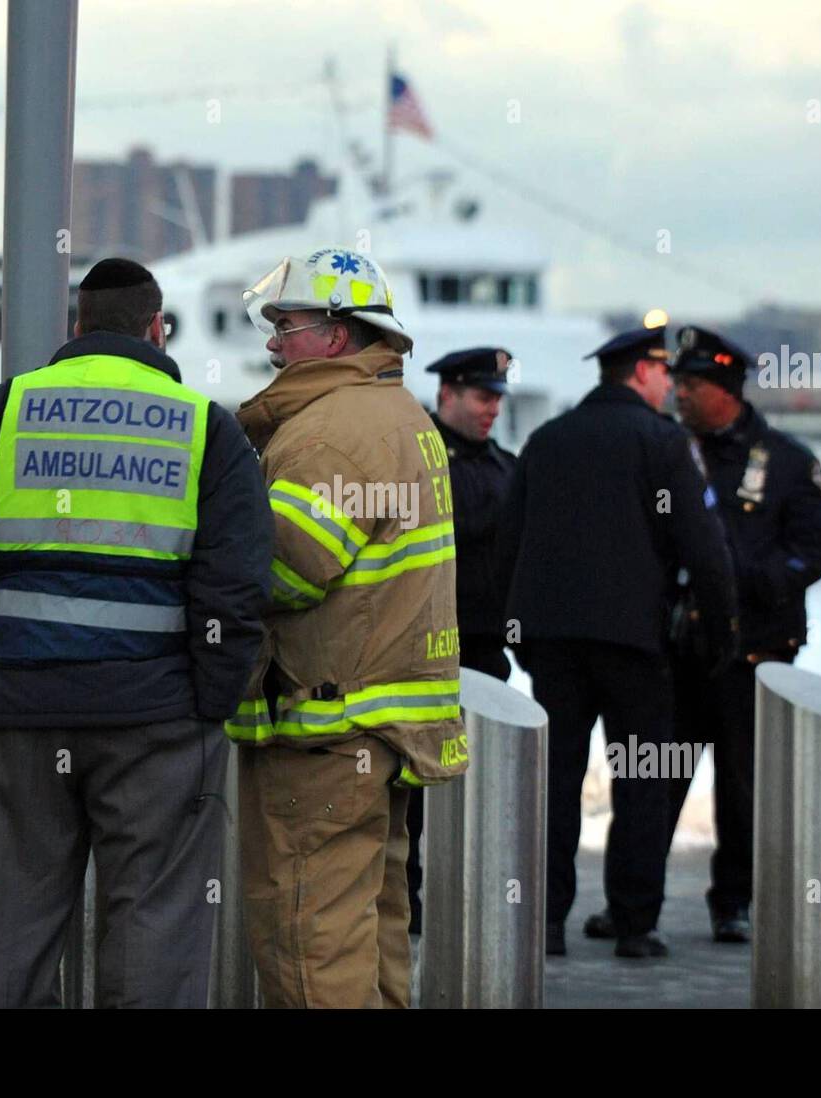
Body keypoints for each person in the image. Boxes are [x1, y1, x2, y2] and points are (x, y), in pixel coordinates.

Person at [0, 257, 272, 1008]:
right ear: (155, 329)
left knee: (20, 929)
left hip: (21, 720)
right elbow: (233, 594)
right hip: (155, 726)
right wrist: (208, 704)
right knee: (153, 928)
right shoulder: (206, 428)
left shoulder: (4, 413)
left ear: (78, 328)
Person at [226, 247, 467, 1008]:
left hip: (327, 729)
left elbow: (286, 571)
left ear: (336, 334)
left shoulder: (329, 433)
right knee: (375, 929)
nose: (272, 342)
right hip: (382, 726)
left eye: (286, 324)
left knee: (308, 937)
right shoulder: (400, 415)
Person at [497, 325, 738, 959]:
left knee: (554, 780)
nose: (671, 387)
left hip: (552, 645)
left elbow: (508, 541)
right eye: (665, 374)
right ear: (640, 373)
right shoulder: (662, 442)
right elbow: (704, 548)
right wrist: (722, 632)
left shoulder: (546, 440)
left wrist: (515, 630)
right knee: (642, 778)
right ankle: (634, 923)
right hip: (634, 644)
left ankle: (545, 921)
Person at [662, 324, 821, 943]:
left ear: (725, 389)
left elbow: (816, 548)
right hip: (680, 653)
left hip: (755, 654)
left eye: (689, 384)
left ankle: (732, 903)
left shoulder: (787, 461)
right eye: (675, 382)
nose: (677, 394)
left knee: (743, 789)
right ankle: (637, 906)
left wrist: (749, 582)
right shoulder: (669, 452)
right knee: (657, 777)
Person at [405, 346, 517, 933]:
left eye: (498, 398)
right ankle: (410, 895)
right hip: (427, 646)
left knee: (481, 780)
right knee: (420, 785)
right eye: (482, 396)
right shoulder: (419, 453)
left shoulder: (505, 464)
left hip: (485, 646)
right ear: (448, 393)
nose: (492, 409)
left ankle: (472, 892)